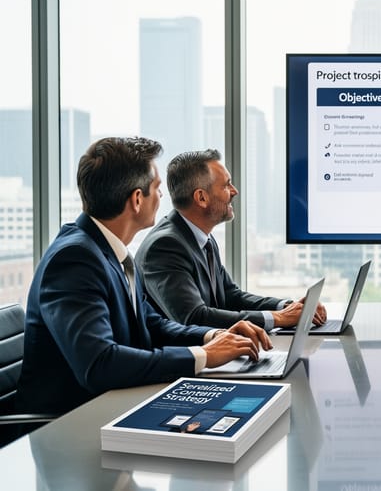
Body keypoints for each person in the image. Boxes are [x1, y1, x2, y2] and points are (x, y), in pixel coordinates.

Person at [16, 137, 271, 415]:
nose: (162, 197)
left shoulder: (110, 251)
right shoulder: (74, 260)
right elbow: (99, 364)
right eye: (157, 188)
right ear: (137, 199)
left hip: (114, 405)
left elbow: (151, 324)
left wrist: (212, 336)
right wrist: (203, 357)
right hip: (69, 425)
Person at [135, 149, 326, 331]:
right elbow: (193, 317)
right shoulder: (165, 246)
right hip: (185, 361)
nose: (234, 191)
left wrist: (285, 306)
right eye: (226, 185)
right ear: (201, 197)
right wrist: (278, 318)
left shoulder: (201, 237)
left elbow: (229, 296)